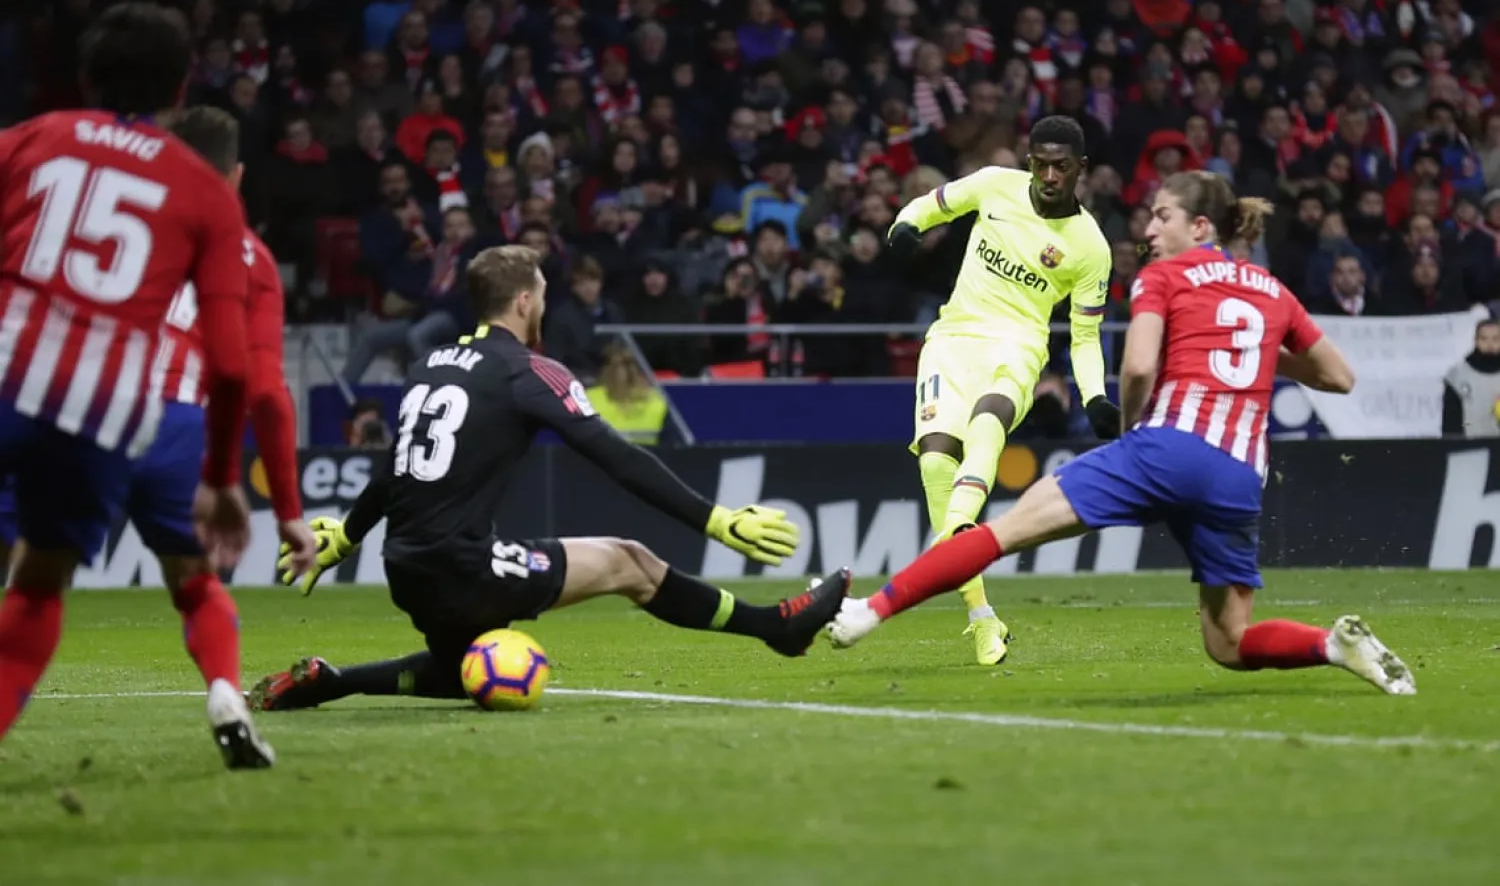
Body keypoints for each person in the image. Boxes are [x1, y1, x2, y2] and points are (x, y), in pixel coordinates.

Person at [829, 171, 1417, 697]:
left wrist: (1131, 430)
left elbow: (1136, 367)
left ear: (1200, 226)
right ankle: (1332, 646)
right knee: (1229, 642)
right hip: (1239, 474)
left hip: (1165, 449)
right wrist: (1266, 350)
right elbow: (1339, 377)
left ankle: (867, 612)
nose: (1149, 229)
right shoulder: (1269, 289)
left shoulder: (1163, 275)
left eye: (1163, 216)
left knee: (999, 532)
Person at [250, 246, 849, 711]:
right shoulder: (530, 370)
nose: (543, 306)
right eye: (540, 295)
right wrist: (715, 519)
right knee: (629, 562)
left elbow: (393, 470)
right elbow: (615, 455)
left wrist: (347, 537)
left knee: (461, 673)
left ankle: (332, 681)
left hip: (405, 567)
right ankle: (776, 627)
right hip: (464, 565)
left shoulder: (428, 366)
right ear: (522, 302)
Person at [0, 106, 320, 768]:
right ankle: (226, 692)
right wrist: (286, 508)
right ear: (236, 174)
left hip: (83, 401)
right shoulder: (249, 254)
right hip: (177, 422)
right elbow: (263, 389)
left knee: (32, 572)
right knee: (194, 581)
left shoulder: (113, 204)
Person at [885, 115, 1120, 666]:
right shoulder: (994, 184)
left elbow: (1085, 337)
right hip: (952, 338)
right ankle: (982, 617)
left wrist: (1094, 397)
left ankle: (957, 530)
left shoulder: (1091, 247)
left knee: (988, 421)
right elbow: (933, 204)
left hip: (1018, 345)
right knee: (935, 461)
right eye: (1041, 163)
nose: (1050, 176)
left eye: (1062, 166)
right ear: (1029, 160)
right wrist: (904, 225)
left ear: (1081, 169)